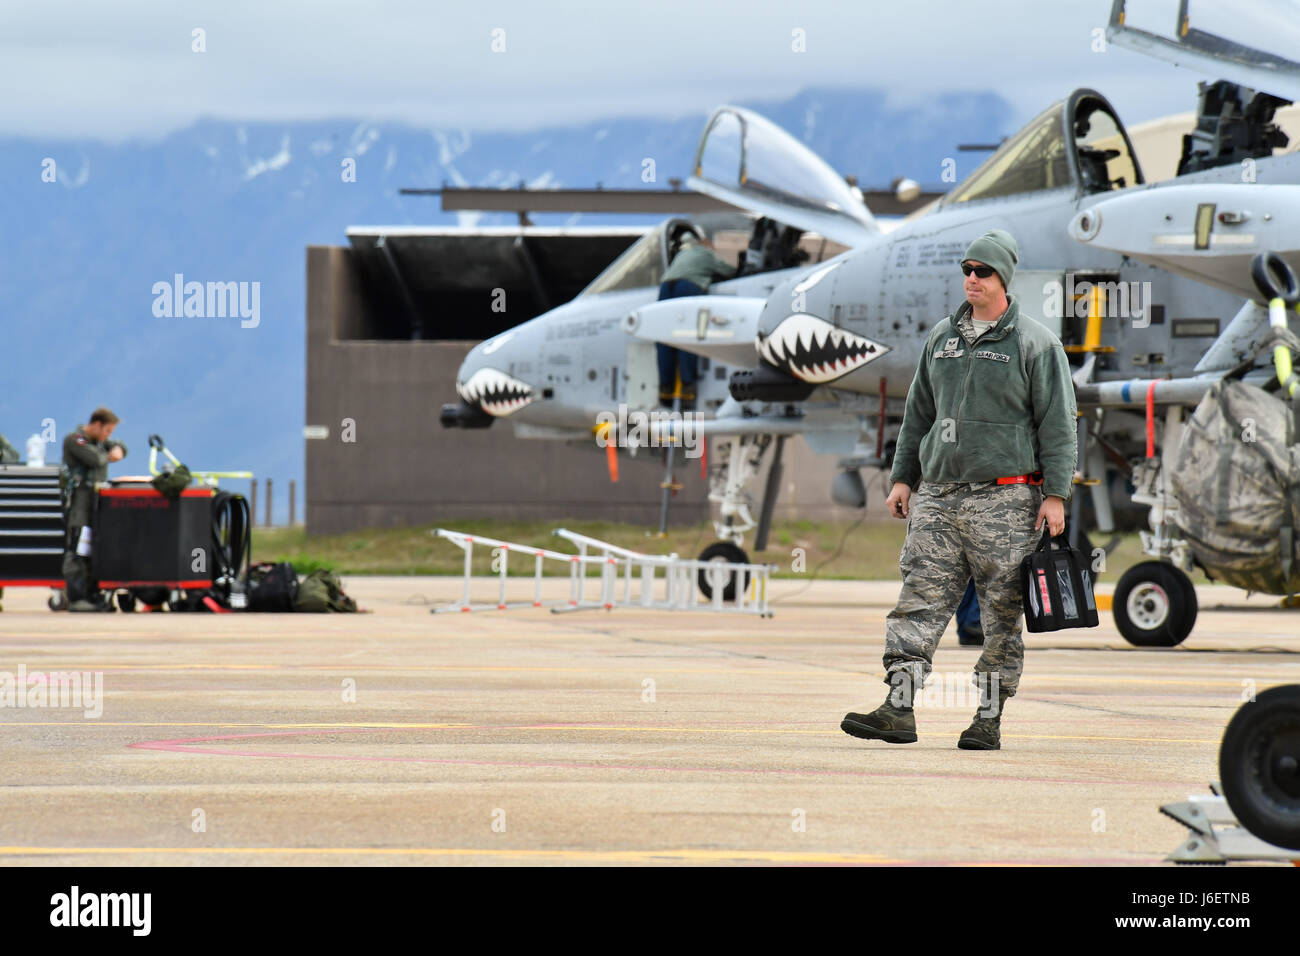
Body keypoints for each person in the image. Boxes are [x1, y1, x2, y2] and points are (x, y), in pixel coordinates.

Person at [841, 229, 1076, 750]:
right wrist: (904, 478)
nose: (972, 278)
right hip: (940, 495)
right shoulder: (941, 339)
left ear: (1003, 279)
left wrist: (1056, 494)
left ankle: (987, 719)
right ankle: (898, 709)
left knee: (1001, 613)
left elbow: (1058, 425)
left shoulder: (1035, 343)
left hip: (1007, 500)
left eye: (982, 271)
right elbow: (919, 414)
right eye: (967, 270)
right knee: (918, 600)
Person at [655, 230, 735, 409]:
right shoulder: (705, 254)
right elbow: (729, 271)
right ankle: (687, 389)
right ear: (704, 243)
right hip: (687, 287)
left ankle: (665, 390)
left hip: (666, 287)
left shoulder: (681, 255)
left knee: (664, 339)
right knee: (688, 337)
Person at [61, 408, 127, 611]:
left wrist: (116, 447)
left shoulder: (98, 442)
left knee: (92, 550)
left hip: (95, 501)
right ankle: (76, 597)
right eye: (107, 430)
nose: (108, 435)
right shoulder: (75, 440)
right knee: (77, 550)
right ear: (96, 425)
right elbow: (95, 459)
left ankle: (92, 595)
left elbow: (121, 447)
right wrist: (110, 452)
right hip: (79, 502)